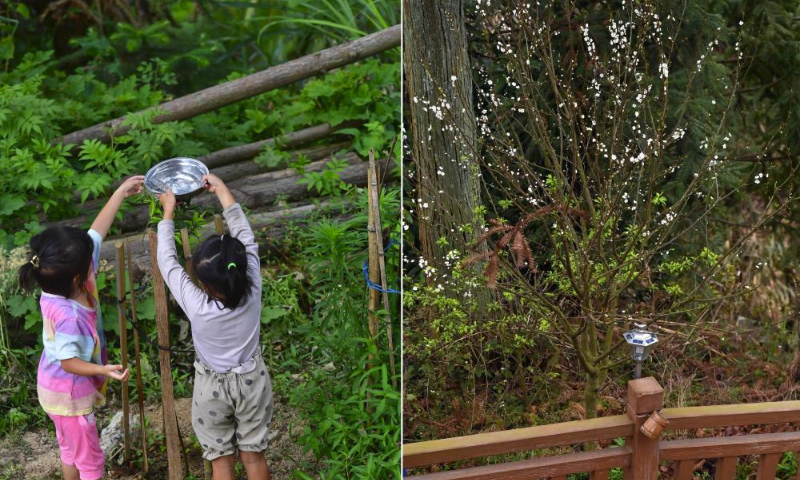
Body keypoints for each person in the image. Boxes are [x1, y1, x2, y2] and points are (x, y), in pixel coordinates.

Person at [18, 176, 142, 480]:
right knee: (91, 462)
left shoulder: (61, 279)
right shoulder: (70, 315)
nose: (94, 259)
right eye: (91, 259)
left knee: (70, 451)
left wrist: (120, 193)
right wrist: (102, 370)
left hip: (53, 387)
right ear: (78, 276)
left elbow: (95, 233)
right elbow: (69, 362)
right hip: (69, 395)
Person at [157, 174, 272, 480]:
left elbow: (167, 263)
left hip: (211, 390)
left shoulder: (198, 305)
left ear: (204, 284)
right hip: (252, 382)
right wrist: (223, 190)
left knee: (221, 460)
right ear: (243, 268)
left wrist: (167, 214)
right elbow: (246, 237)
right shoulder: (254, 286)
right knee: (253, 456)